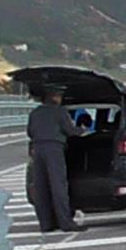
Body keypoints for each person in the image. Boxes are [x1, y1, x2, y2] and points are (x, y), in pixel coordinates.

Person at [25, 83, 84, 233]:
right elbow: (69, 130)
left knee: (41, 187)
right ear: (54, 97)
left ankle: (46, 224)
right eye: (59, 95)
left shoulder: (35, 113)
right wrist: (82, 130)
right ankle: (66, 223)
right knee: (58, 186)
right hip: (54, 149)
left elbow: (30, 132)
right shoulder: (60, 112)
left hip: (37, 149)